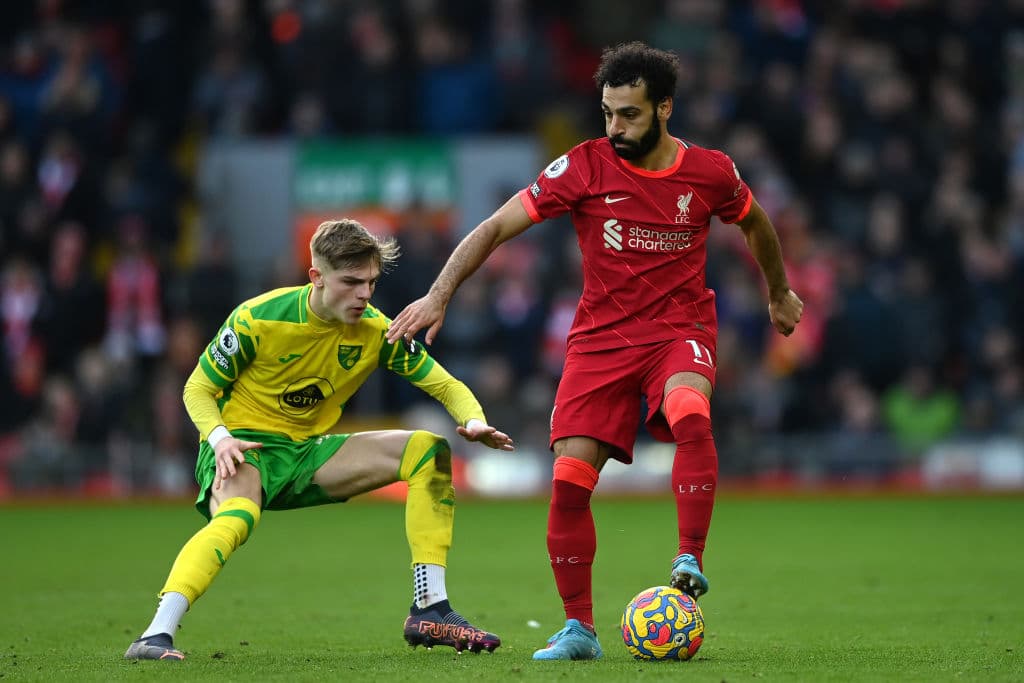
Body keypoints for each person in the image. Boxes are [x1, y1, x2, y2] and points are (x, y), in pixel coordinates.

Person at [386, 41, 804, 661]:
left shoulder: (710, 172)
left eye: (629, 115)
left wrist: (779, 292)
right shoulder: (583, 166)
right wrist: (439, 293)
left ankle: (689, 556)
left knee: (690, 411)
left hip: (677, 330)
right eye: (607, 113)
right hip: (600, 342)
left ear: (664, 108)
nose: (614, 128)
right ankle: (579, 629)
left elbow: (756, 223)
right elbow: (497, 225)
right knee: (569, 486)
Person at [124, 218, 513, 661]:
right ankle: (155, 635)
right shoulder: (259, 318)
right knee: (235, 521)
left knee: (429, 451)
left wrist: (475, 420)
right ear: (317, 277)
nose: (364, 294)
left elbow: (445, 385)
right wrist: (219, 439)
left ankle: (430, 607)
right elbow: (197, 388)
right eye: (351, 282)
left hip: (307, 454)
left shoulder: (377, 330)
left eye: (370, 281)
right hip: (243, 449)